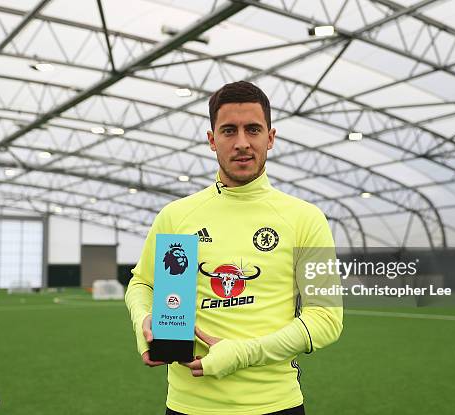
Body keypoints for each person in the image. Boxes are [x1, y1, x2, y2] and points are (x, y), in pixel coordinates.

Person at [125, 81, 343, 415]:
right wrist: (145, 320)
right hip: (187, 406)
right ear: (212, 140)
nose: (242, 143)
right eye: (229, 131)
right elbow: (143, 283)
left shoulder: (304, 219)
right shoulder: (177, 216)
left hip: (274, 405)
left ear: (270, 137)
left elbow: (326, 318)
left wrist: (243, 353)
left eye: (253, 129)